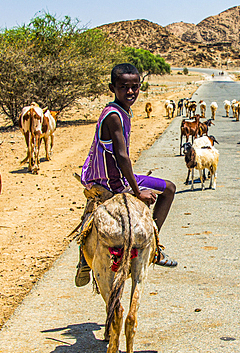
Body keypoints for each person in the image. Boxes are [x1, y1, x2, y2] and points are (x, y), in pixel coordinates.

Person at [76, 63, 178, 287]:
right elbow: (122, 156)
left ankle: (153, 244)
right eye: (124, 87)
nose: (131, 92)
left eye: (135, 87)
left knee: (169, 188)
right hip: (109, 179)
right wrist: (137, 191)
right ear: (112, 87)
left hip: (117, 175)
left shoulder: (122, 111)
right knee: (168, 190)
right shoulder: (113, 116)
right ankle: (152, 247)